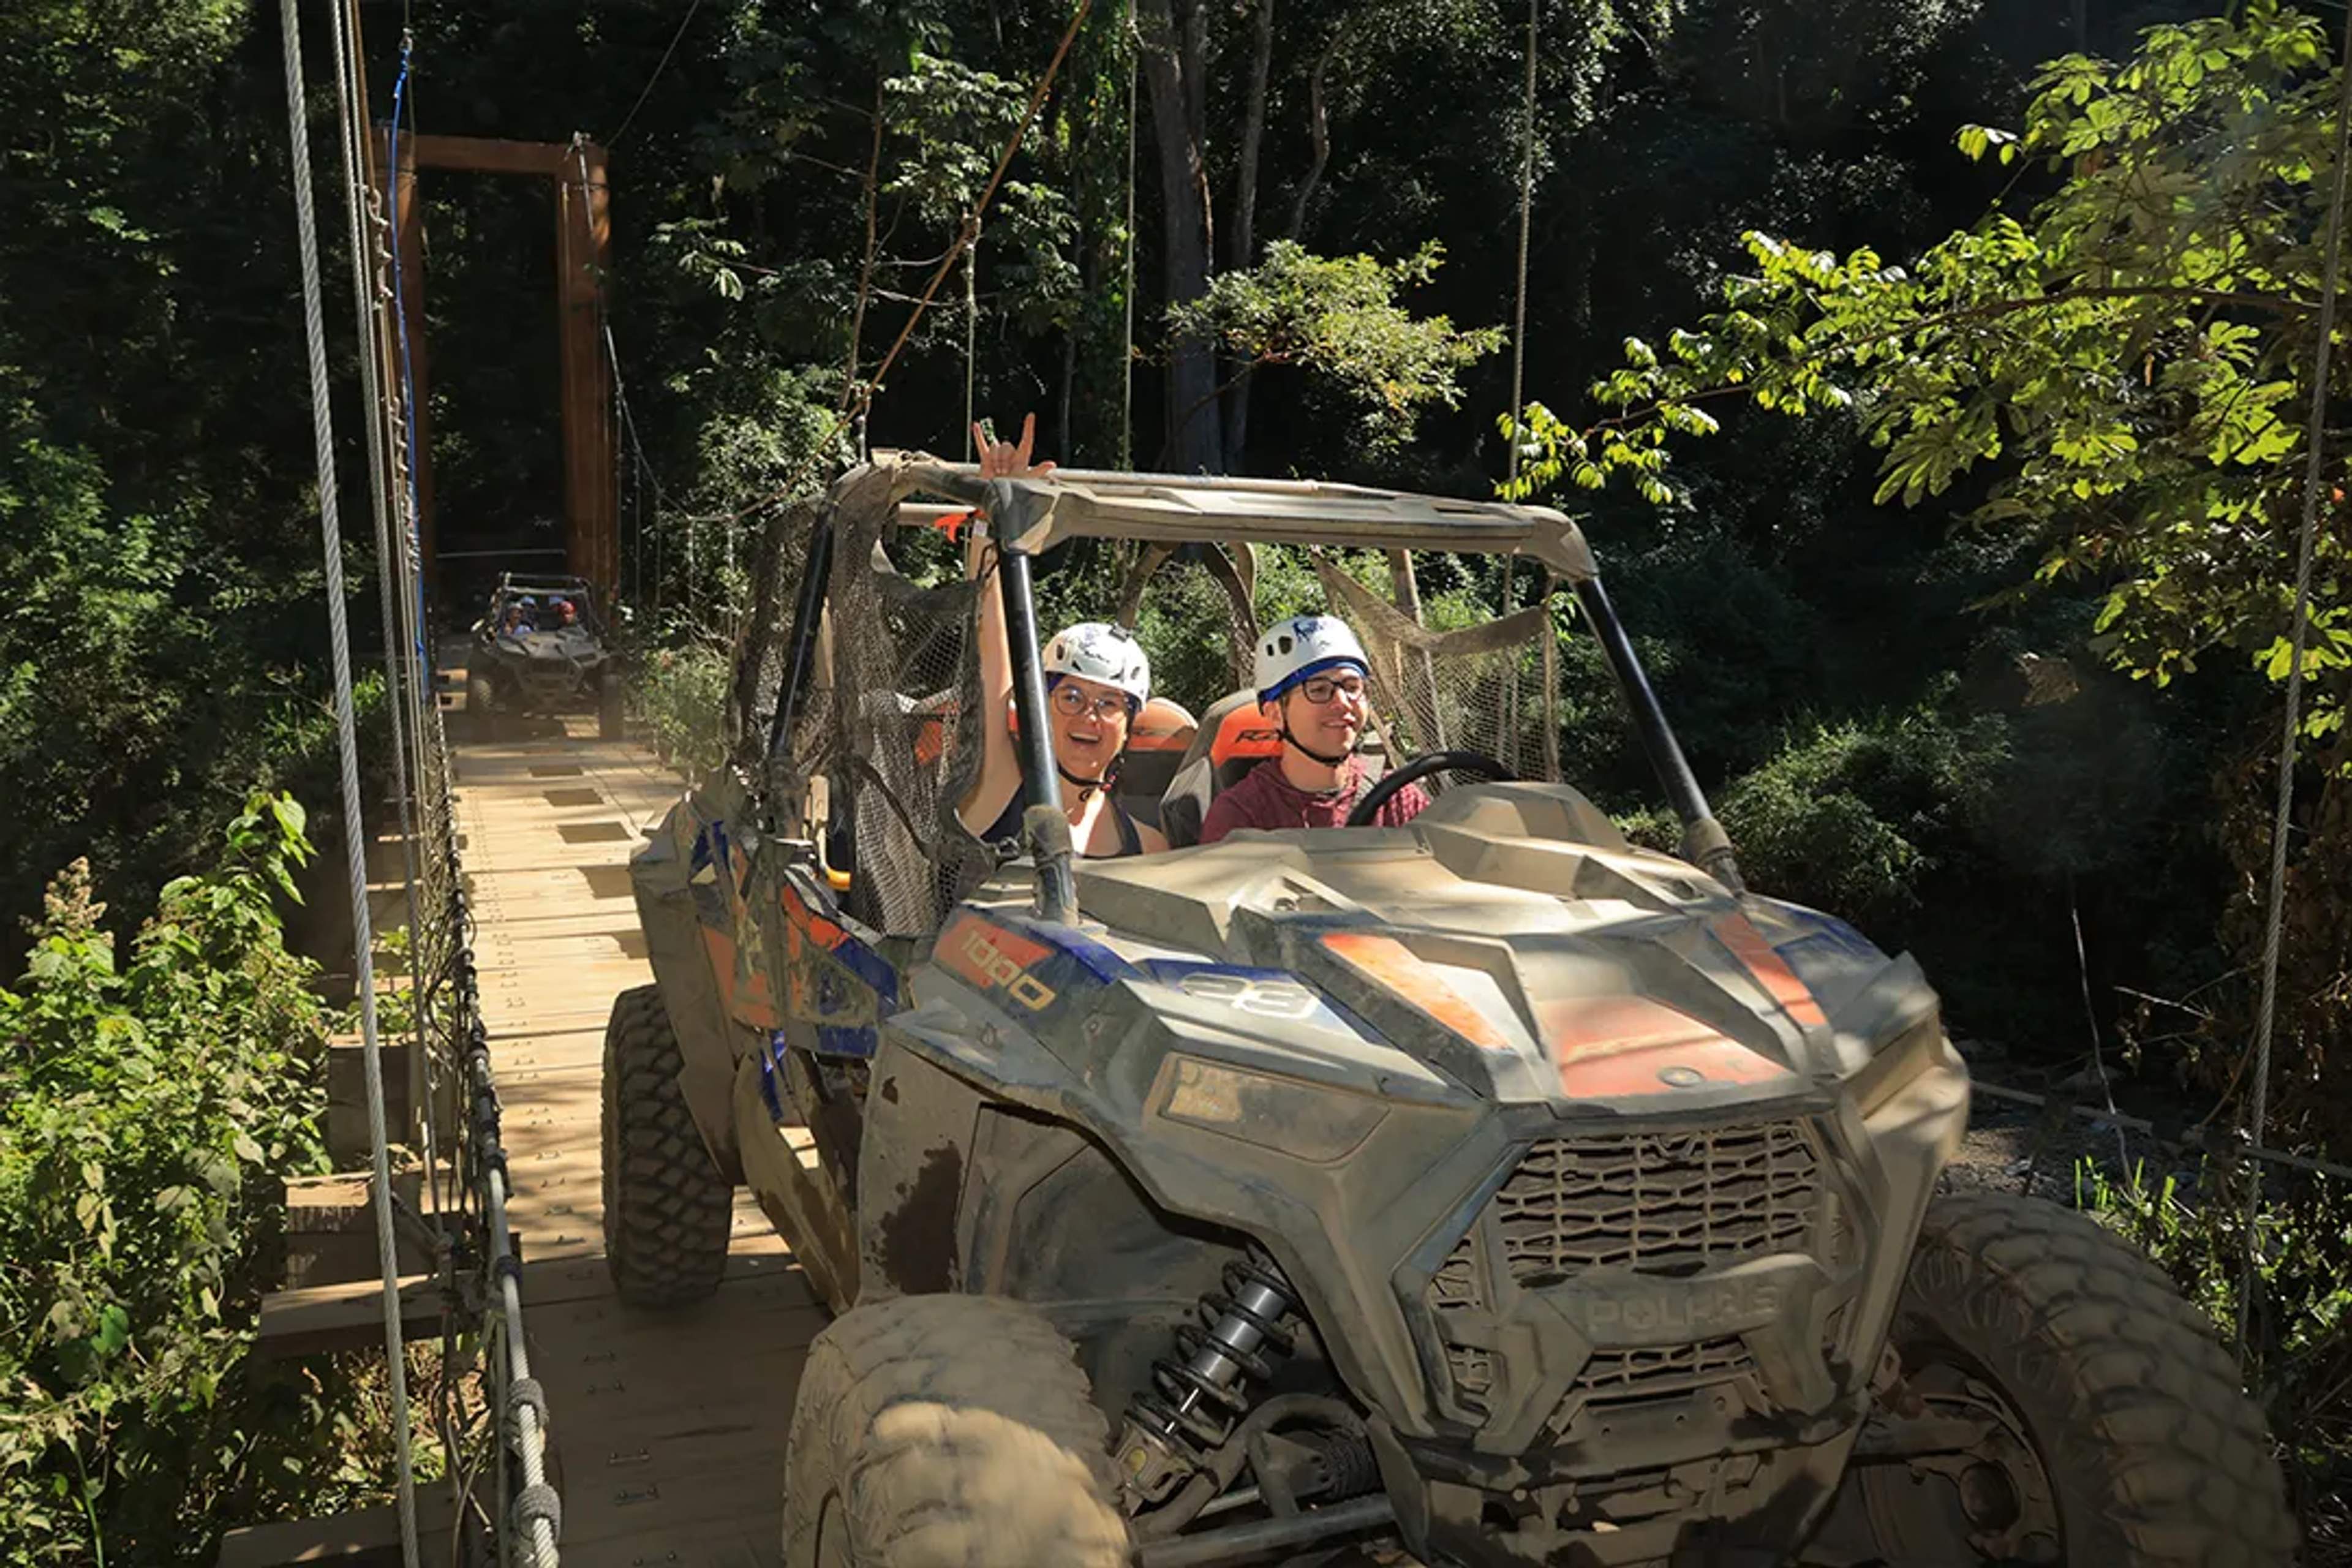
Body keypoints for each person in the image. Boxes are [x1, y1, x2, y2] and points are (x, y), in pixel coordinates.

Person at [954, 415, 1168, 858]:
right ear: (1039, 707)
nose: (1088, 717)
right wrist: (997, 514)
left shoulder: (1148, 847)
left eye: (1109, 703)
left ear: (1130, 725)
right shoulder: (998, 792)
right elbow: (991, 646)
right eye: (1070, 697)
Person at [1197, 614, 1431, 843]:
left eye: (1352, 687)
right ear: (1276, 714)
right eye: (1319, 689)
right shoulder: (1242, 816)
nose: (1343, 701)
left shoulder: (1398, 800)